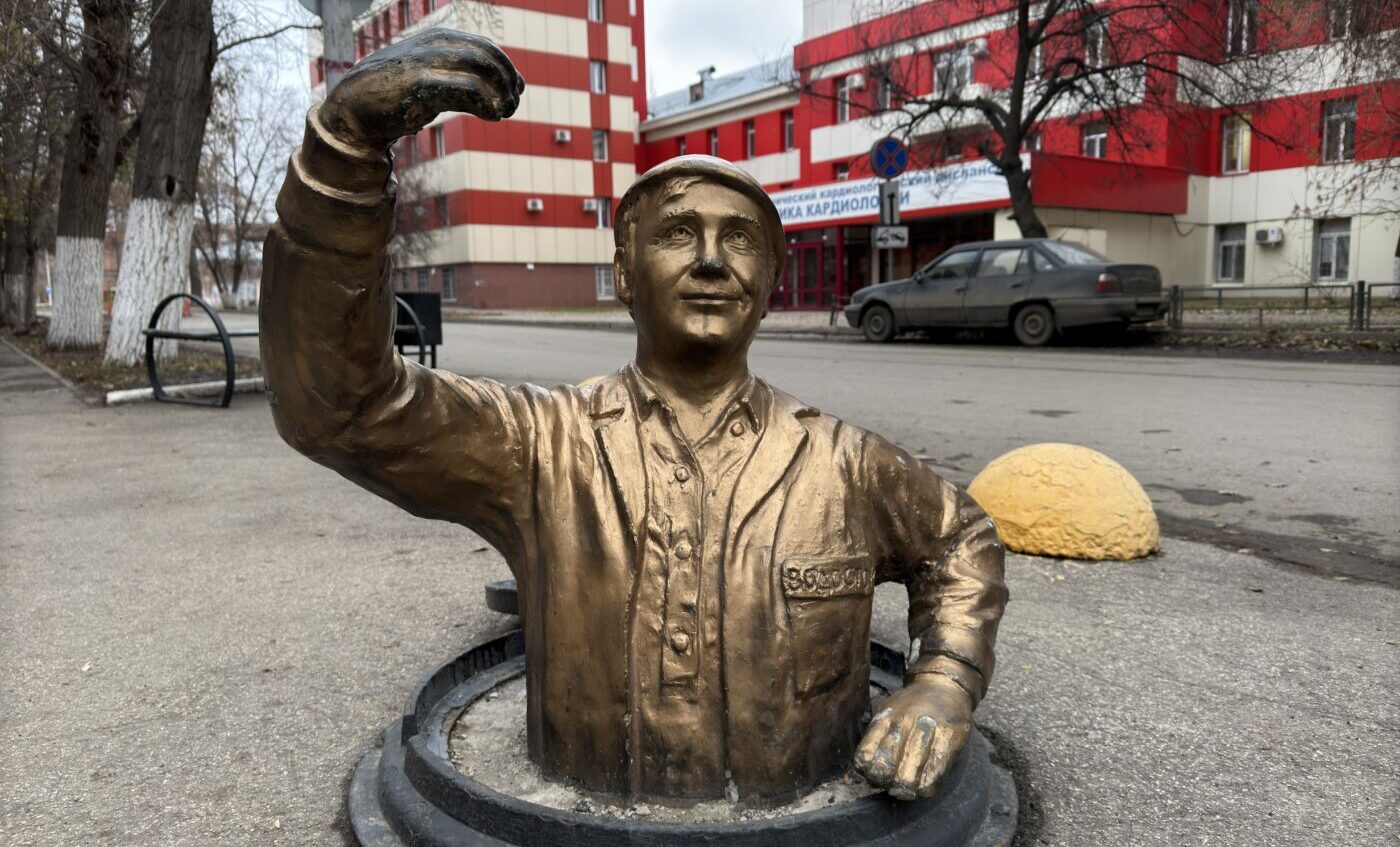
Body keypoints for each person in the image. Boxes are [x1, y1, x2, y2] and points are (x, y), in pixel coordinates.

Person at [260, 29, 1006, 805]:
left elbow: (962, 539)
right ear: (623, 271)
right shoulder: (539, 444)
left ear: (771, 280)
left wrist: (945, 679)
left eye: (740, 239)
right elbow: (341, 405)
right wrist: (342, 155)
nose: (712, 259)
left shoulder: (843, 464)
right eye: (680, 233)